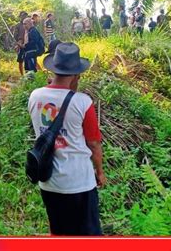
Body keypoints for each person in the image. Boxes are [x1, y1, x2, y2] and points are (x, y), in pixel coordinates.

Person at [28, 42, 107, 235]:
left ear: (53, 69)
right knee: (88, 235)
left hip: (48, 180)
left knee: (58, 232)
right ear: (76, 74)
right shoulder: (82, 102)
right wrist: (99, 171)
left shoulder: (35, 96)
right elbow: (94, 144)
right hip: (79, 181)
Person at [13, 11, 28, 75]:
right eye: (23, 15)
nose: (24, 17)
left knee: (29, 60)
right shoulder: (18, 25)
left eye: (25, 15)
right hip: (21, 45)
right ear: (20, 17)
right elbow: (15, 36)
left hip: (28, 45)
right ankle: (22, 76)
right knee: (20, 61)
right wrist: (18, 44)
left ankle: (29, 74)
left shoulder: (29, 24)